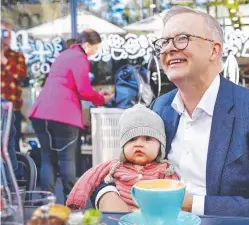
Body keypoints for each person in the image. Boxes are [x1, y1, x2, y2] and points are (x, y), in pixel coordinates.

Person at [94, 6, 249, 222]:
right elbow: (128, 164)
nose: (169, 48)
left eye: (182, 38)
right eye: (164, 42)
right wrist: (107, 194)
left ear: (214, 50)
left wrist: (191, 204)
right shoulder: (160, 108)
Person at [28, 29, 113, 201]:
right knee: (67, 159)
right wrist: (102, 99)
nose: (95, 53)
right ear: (87, 45)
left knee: (47, 157)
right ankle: (71, 200)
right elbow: (84, 90)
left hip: (41, 111)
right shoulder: (80, 58)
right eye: (95, 49)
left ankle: (47, 201)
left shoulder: (63, 55)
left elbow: (66, 83)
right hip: (63, 114)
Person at [66, 104, 177, 211]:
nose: (138, 144)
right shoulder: (115, 166)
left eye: (147, 138)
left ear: (160, 146)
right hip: (121, 216)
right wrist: (76, 201)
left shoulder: (165, 169)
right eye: (131, 139)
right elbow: (89, 178)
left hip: (153, 217)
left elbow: (175, 193)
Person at [1, 20, 27, 152]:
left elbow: (21, 75)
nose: (7, 36)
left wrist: (4, 61)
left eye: (8, 33)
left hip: (12, 108)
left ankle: (15, 172)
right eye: (3, 32)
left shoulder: (17, 56)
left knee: (12, 146)